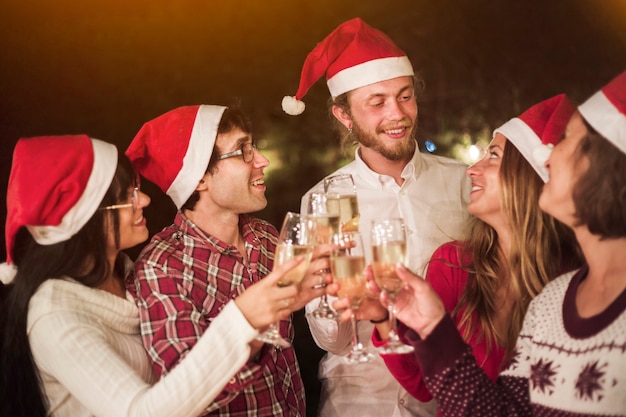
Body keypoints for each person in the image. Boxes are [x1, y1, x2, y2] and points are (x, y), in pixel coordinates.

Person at [360, 70, 626, 416]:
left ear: (604, 170)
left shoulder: (565, 288)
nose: (548, 156)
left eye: (566, 141)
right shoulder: (555, 300)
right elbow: (500, 411)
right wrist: (429, 326)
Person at [0, 135, 306, 417]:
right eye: (127, 196)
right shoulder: (55, 315)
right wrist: (241, 317)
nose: (144, 200)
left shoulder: (125, 276)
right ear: (86, 217)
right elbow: (141, 411)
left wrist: (267, 317)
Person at [283, 18, 470, 416]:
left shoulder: (462, 184)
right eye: (377, 102)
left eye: (405, 96)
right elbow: (329, 341)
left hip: (450, 399)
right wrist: (333, 301)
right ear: (344, 116)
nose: (397, 114)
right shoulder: (322, 200)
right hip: (359, 402)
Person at [126, 104, 329, 416]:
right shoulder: (161, 268)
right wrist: (250, 326)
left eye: (254, 146)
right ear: (199, 179)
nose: (262, 160)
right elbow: (187, 396)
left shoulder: (265, 237)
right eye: (243, 151)